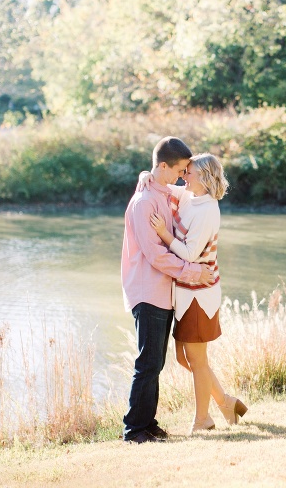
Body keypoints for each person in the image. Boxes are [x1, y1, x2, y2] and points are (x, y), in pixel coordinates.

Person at [143, 153, 248, 434]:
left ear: (203, 177)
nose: (183, 176)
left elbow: (190, 254)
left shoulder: (207, 211)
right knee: (184, 358)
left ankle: (202, 420)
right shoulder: (191, 196)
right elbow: (165, 185)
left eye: (188, 172)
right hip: (185, 293)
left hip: (200, 297)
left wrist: (164, 233)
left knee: (198, 361)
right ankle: (225, 402)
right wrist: (145, 176)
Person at [121, 137, 216, 444]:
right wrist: (192, 272)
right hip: (148, 291)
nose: (181, 175)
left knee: (155, 363)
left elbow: (183, 194)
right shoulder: (145, 202)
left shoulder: (160, 191)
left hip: (164, 291)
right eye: (178, 169)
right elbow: (155, 255)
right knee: (147, 362)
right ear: (163, 166)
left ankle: (148, 424)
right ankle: (134, 430)